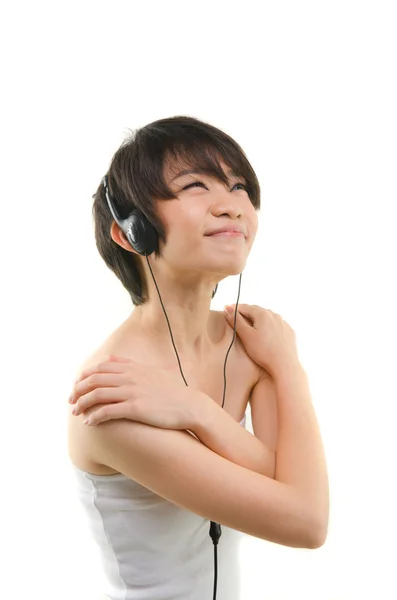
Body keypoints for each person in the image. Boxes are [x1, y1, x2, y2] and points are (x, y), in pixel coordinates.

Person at [67, 116, 329, 600]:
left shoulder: (255, 345)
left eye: (239, 187)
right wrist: (277, 376)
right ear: (132, 232)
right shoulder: (110, 393)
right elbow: (305, 520)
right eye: (194, 186)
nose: (232, 206)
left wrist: (279, 371)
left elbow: (288, 481)